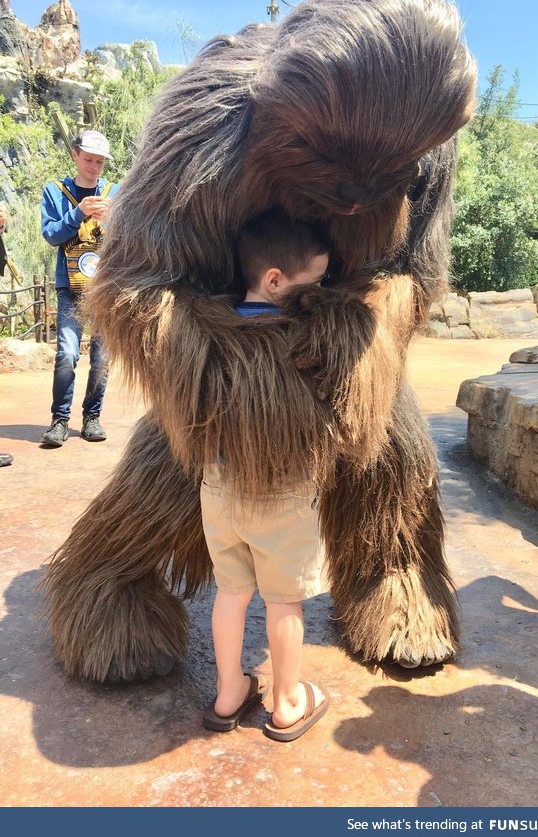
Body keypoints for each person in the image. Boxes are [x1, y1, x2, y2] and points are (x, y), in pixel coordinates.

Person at [200, 209, 331, 742]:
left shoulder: (212, 333)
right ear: (275, 280)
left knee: (230, 594)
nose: (318, 296)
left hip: (218, 486)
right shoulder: (299, 340)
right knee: (284, 601)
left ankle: (229, 692)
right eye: (314, 286)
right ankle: (287, 702)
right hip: (281, 491)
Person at [40, 130, 119, 448]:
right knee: (68, 354)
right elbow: (51, 235)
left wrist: (113, 220)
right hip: (70, 287)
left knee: (102, 358)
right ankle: (59, 421)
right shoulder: (55, 192)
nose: (94, 167)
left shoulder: (115, 191)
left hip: (104, 288)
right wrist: (78, 213)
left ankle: (92, 418)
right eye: (88, 159)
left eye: (100, 161)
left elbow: (130, 240)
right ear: (75, 155)